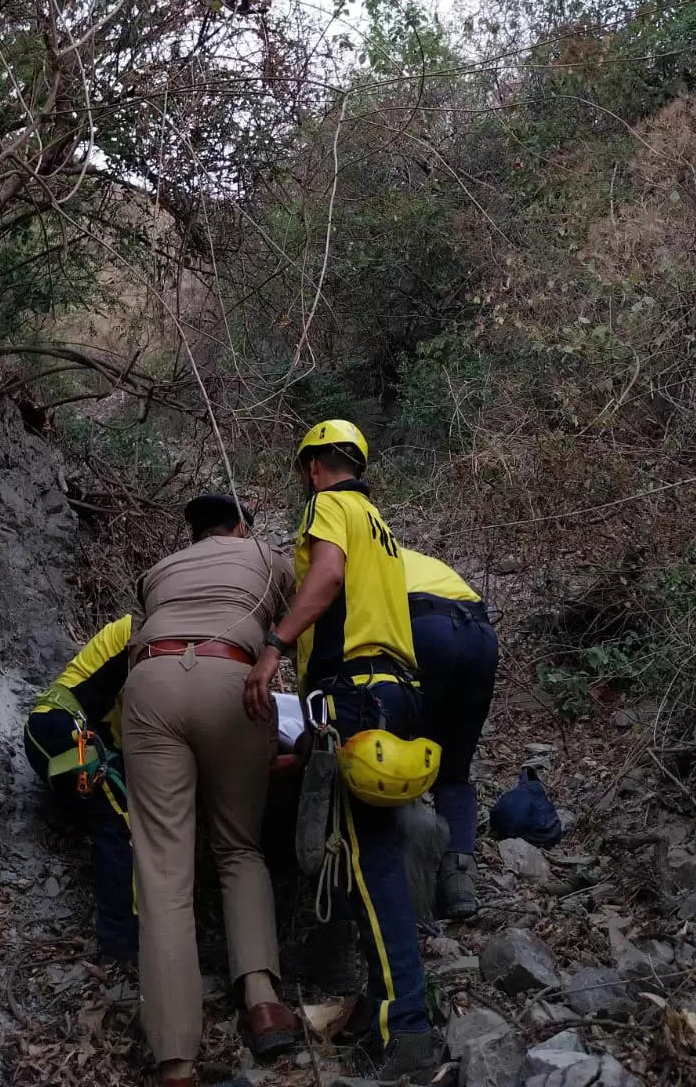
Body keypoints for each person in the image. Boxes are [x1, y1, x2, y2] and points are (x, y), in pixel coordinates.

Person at [243, 420, 437, 1087]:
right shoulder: (378, 521)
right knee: (367, 854)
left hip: (353, 695)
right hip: (397, 692)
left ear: (313, 468)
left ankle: (406, 1027)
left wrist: (274, 644)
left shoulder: (328, 504)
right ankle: (390, 1004)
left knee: (371, 859)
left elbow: (324, 578)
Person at [122, 491, 300, 1087]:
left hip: (150, 683)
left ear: (193, 537)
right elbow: (300, 614)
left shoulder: (158, 572)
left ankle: (175, 1058)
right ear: (241, 525)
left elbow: (137, 635)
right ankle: (262, 1000)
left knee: (164, 870)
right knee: (239, 847)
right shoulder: (265, 554)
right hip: (233, 682)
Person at [23, 614, 136, 961]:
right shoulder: (143, 631)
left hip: (54, 728)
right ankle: (121, 942)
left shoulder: (145, 630)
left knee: (113, 808)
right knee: (121, 818)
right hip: (61, 726)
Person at [400, 546, 498, 919]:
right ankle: (459, 881)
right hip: (479, 633)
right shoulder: (421, 559)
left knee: (397, 755)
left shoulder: (354, 558)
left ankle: (406, 882)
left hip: (425, 627)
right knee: (454, 769)